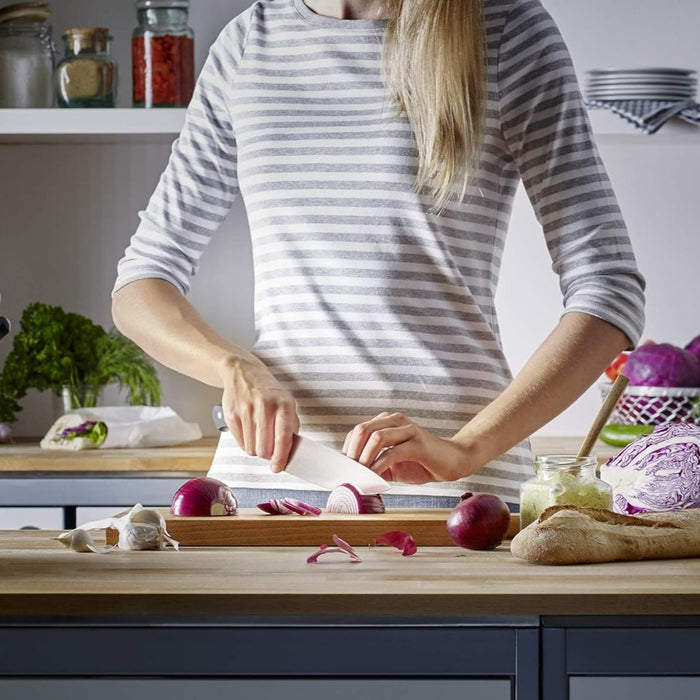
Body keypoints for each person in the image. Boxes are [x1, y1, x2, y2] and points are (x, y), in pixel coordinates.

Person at [112, 0, 645, 510]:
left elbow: (609, 291)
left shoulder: (505, 29)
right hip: (267, 485)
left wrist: (466, 449)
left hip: (457, 500)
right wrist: (233, 368)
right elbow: (141, 284)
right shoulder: (251, 41)